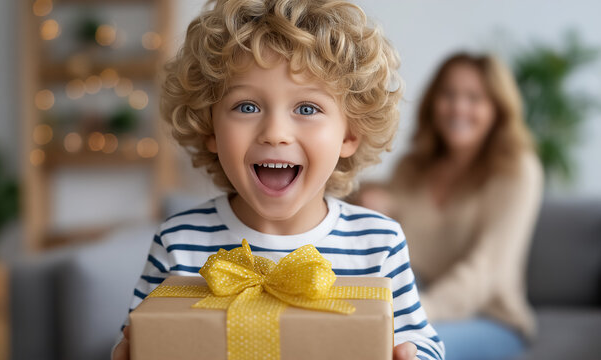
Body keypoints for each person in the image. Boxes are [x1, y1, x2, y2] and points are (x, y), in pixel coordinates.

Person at [112, 0, 445, 359]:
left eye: (307, 109)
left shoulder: (378, 243)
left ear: (350, 135)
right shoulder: (179, 241)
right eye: (247, 107)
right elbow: (142, 338)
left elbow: (425, 345)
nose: (275, 133)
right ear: (210, 128)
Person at [356, 53, 543, 360]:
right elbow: (357, 193)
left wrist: (415, 313)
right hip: (416, 309)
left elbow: (485, 272)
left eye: (474, 97)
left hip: (491, 319)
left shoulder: (517, 170)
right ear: (433, 103)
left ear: (497, 109)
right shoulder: (412, 167)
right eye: (449, 94)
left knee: (406, 351)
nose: (458, 107)